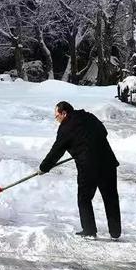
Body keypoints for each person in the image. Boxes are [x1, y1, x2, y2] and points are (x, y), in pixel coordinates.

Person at [38, 101, 121, 240]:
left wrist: (43, 167)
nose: (57, 119)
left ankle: (89, 230)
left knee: (84, 198)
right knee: (111, 197)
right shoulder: (88, 116)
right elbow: (103, 131)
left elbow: (56, 151)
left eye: (57, 116)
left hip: (88, 167)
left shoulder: (65, 128)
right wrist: (88, 144)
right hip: (108, 162)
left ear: (64, 113)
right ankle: (115, 232)